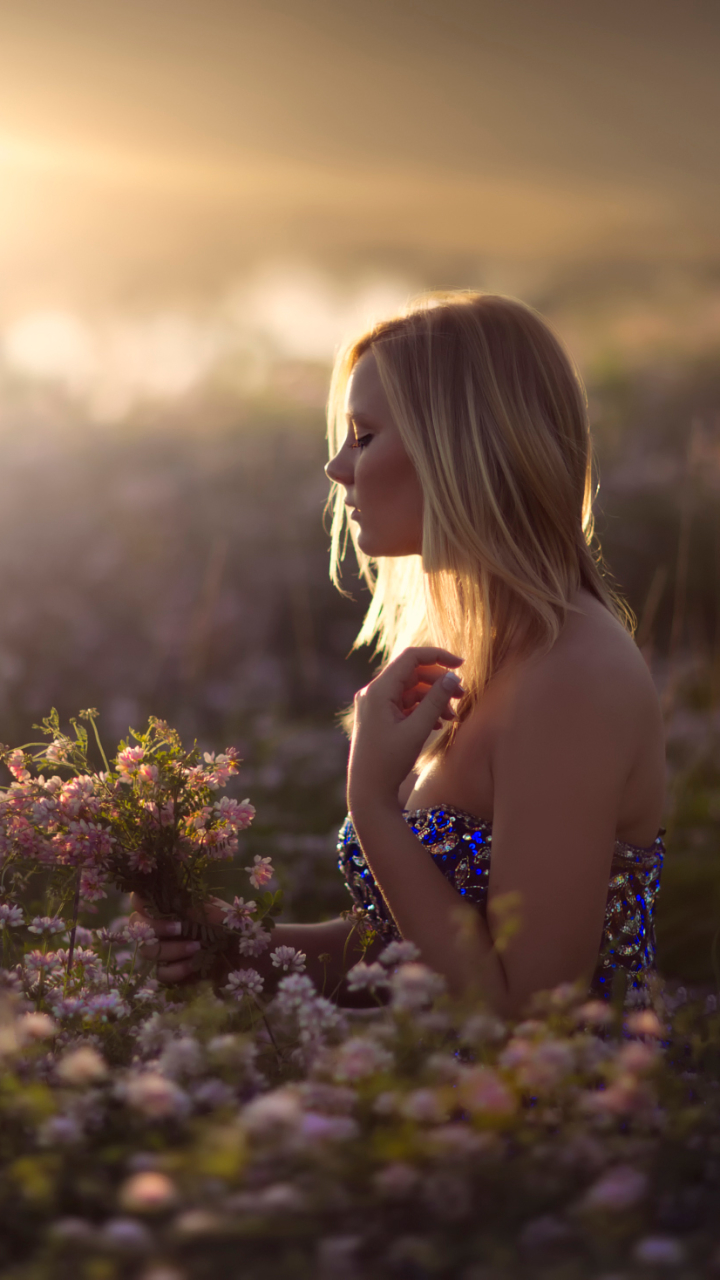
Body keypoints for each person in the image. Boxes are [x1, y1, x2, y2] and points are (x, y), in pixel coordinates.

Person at [135, 291, 665, 1017]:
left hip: (556, 1122)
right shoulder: (485, 655)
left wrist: (372, 805)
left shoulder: (572, 673)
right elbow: (416, 950)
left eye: (363, 435)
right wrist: (237, 951)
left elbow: (529, 1012)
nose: (336, 468)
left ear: (460, 446)